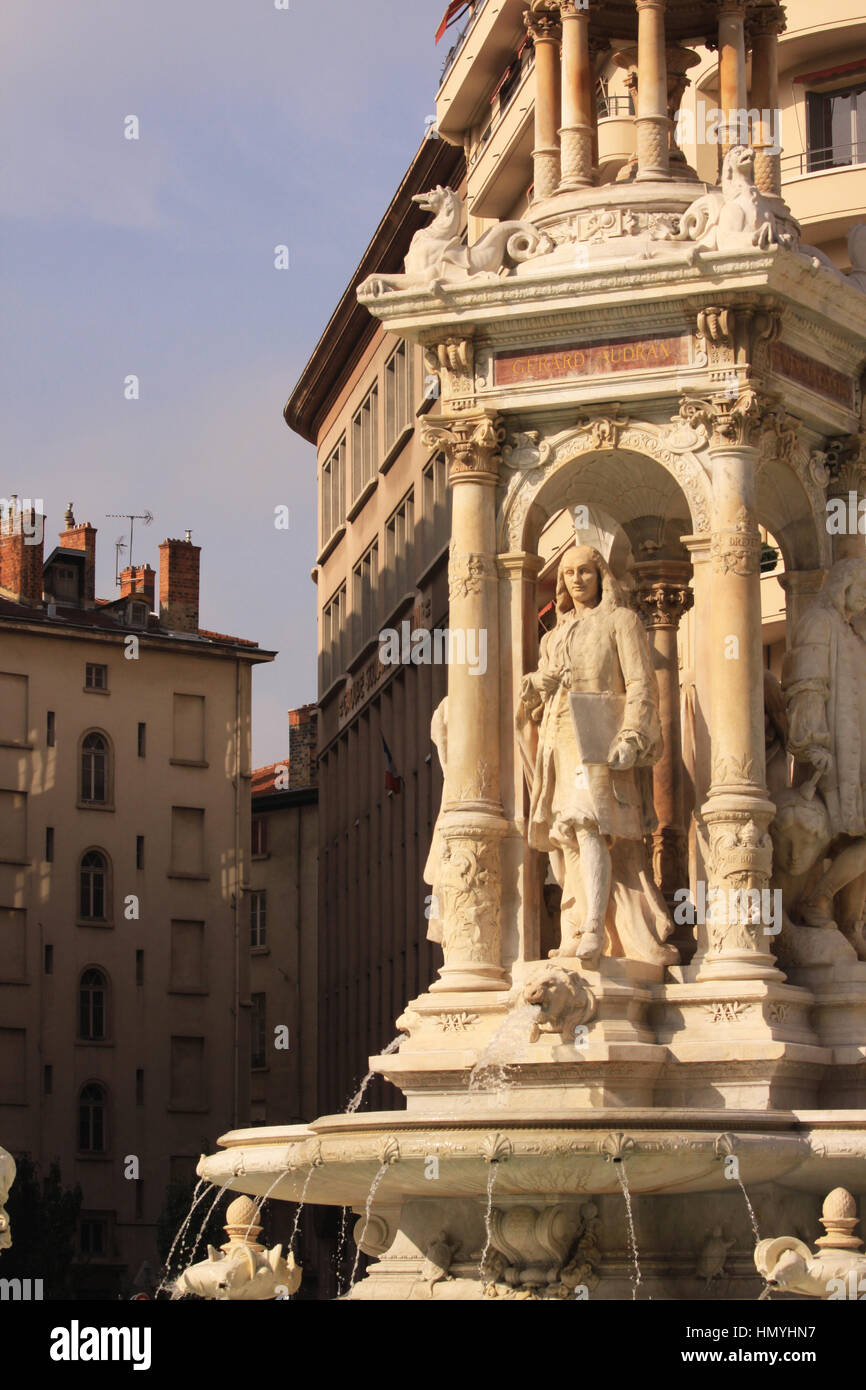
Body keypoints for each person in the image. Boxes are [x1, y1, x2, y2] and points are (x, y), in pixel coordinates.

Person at [516, 544, 677, 966]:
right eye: (569, 573)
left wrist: (631, 735)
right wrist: (539, 686)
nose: (576, 579)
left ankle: (592, 927)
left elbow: (642, 684)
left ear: (600, 574)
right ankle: (578, 926)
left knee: (587, 824)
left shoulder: (621, 622)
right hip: (560, 738)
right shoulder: (553, 636)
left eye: (585, 571)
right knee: (567, 833)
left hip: (601, 738)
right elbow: (535, 705)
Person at [782, 556, 866, 957]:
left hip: (857, 751)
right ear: (842, 584)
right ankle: (817, 898)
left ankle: (848, 922)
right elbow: (807, 685)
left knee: (848, 836)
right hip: (834, 753)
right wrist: (810, 743)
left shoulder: (851, 632)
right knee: (840, 832)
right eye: (861, 584)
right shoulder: (819, 621)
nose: (865, 593)